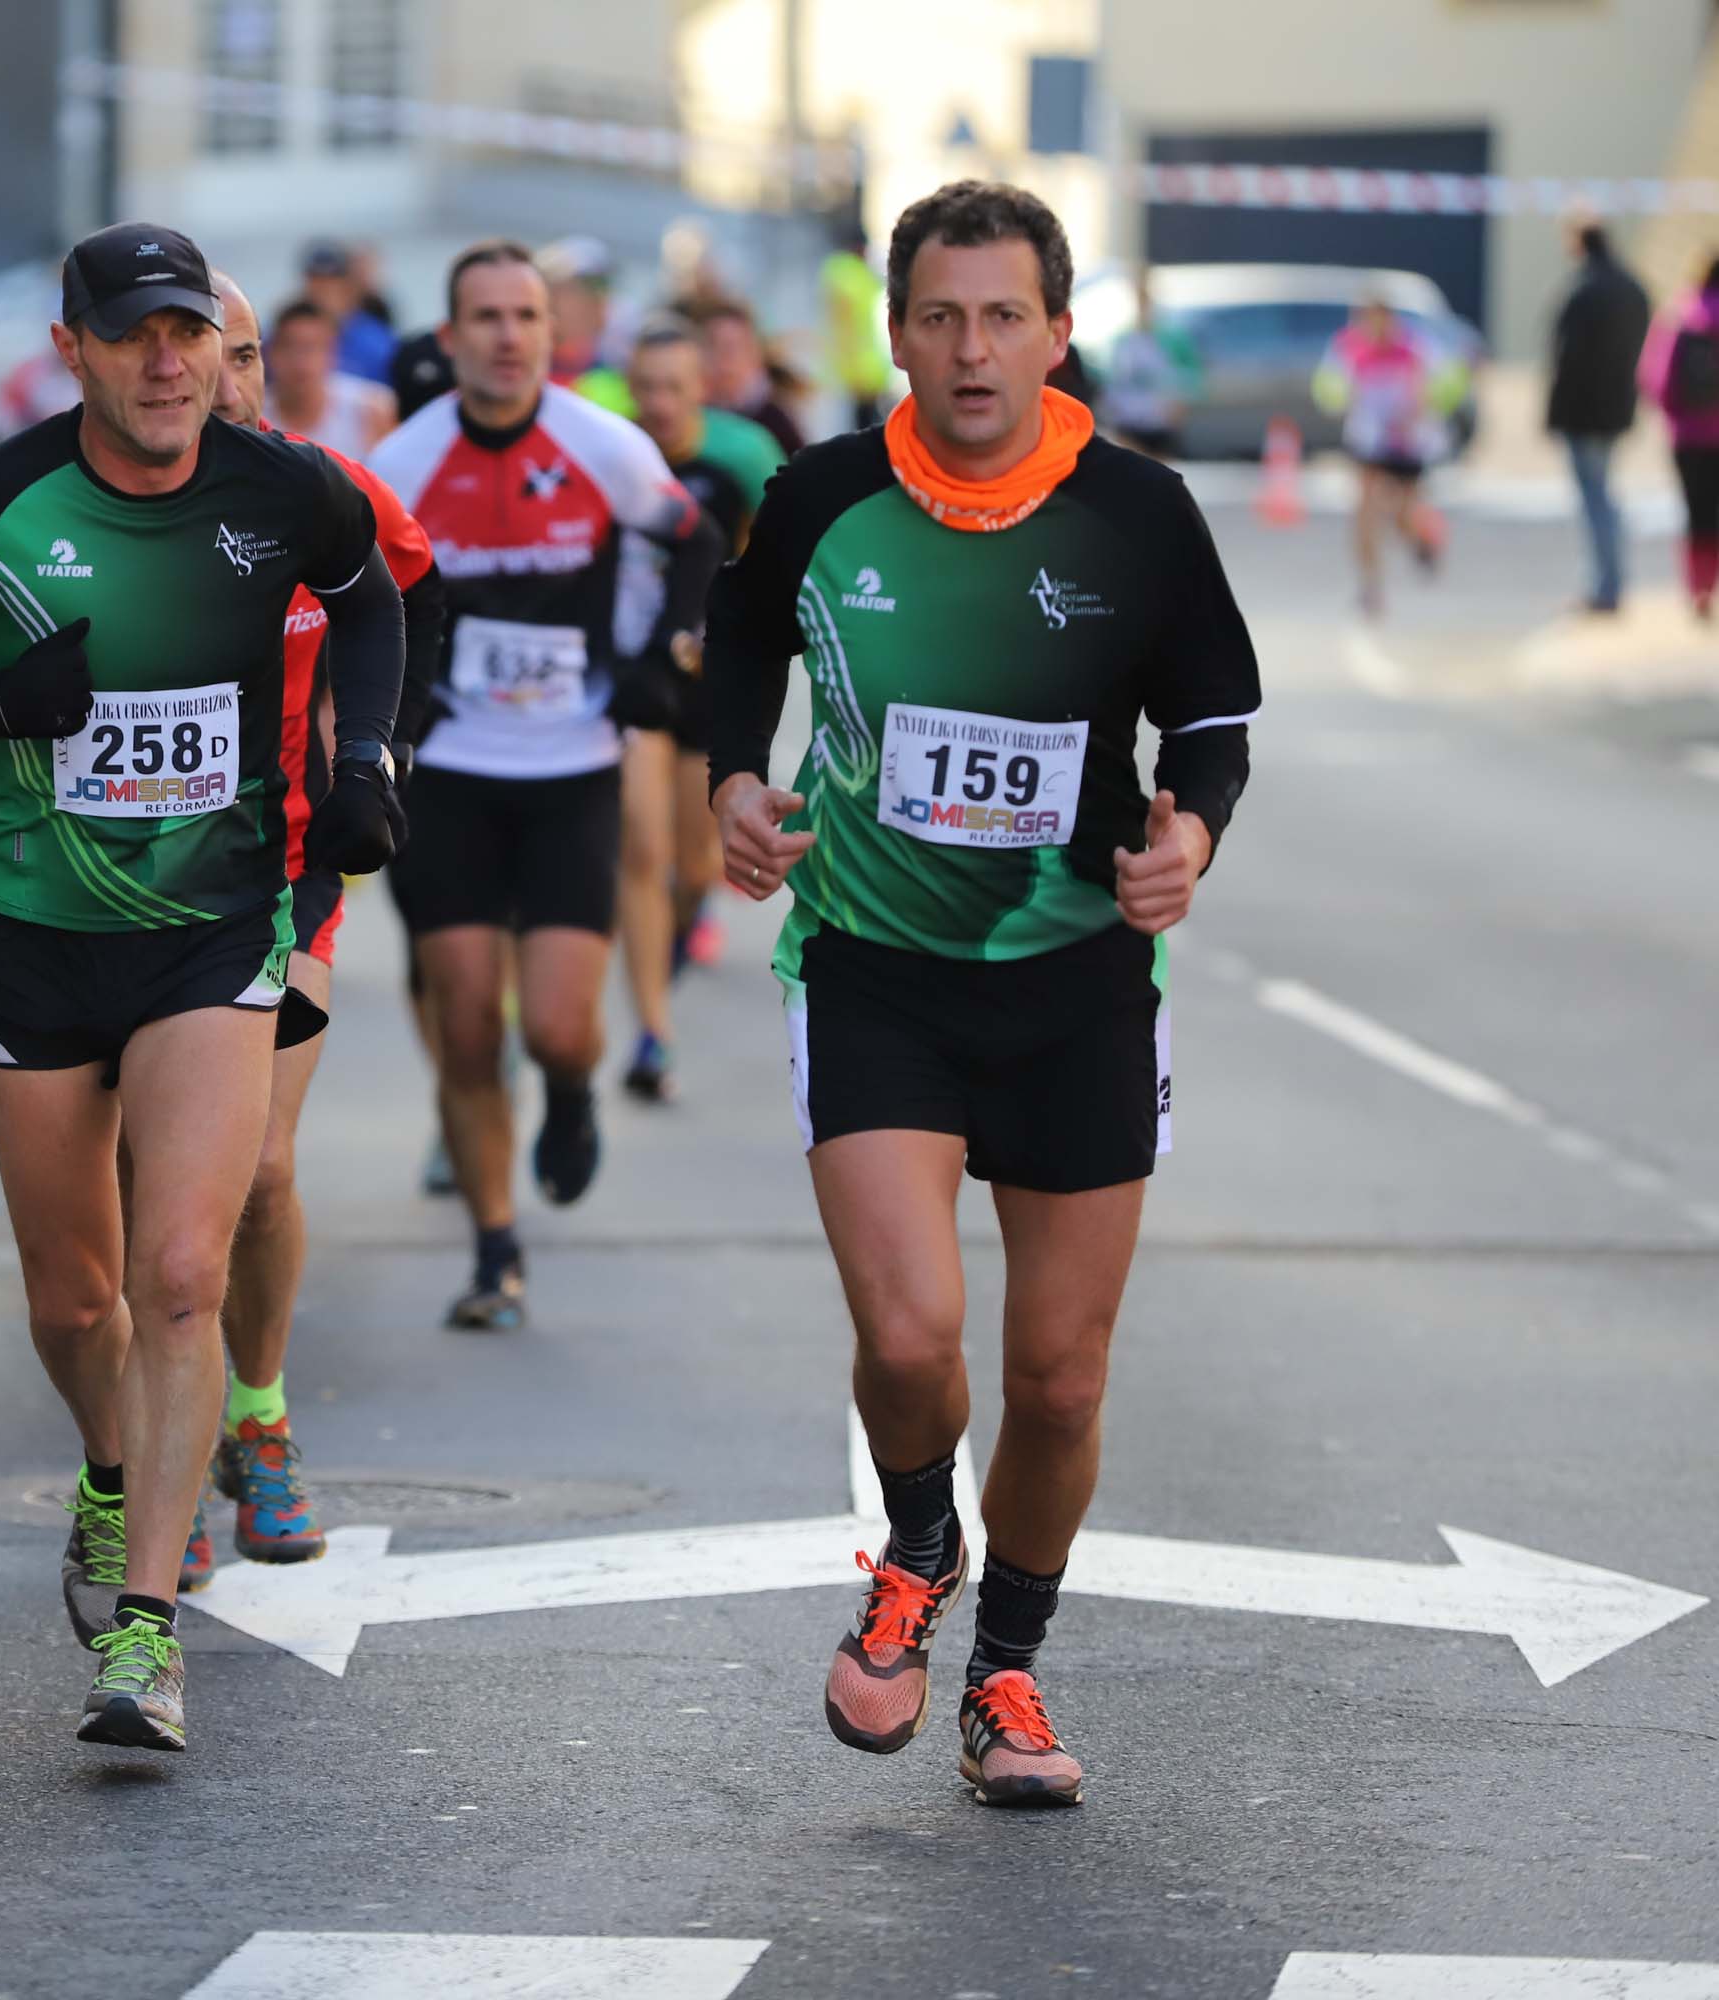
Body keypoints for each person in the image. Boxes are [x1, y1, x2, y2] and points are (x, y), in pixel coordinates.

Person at [707, 178, 1259, 1810]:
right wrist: (736, 779)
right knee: (908, 1331)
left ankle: (1004, 1671)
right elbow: (738, 639)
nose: (969, 349)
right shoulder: (820, 499)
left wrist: (1192, 839)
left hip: (1079, 979)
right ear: (894, 333)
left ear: (1058, 333)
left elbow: (1213, 719)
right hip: (874, 968)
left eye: (1002, 315)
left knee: (1064, 1378)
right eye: (939, 316)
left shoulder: (1135, 511)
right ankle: (917, 1548)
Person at [0, 223, 403, 1752]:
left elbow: (372, 601)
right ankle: (105, 1468)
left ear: (223, 351)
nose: (165, 362)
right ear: (73, 347)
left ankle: (146, 1633)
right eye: (131, 335)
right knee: (73, 1298)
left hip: (215, 930)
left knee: (178, 1279)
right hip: (32, 930)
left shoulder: (285, 490)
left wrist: (374, 761)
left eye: (187, 334)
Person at [368, 241, 721, 1331]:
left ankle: (569, 1096)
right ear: (450, 337)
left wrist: (662, 661)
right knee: (469, 1023)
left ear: (550, 334)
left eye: (525, 315)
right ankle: (495, 1247)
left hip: (572, 770)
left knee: (564, 1027)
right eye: (485, 317)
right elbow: (357, 592)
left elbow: (698, 541)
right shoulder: (407, 461)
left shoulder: (603, 446)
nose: (509, 336)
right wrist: (387, 721)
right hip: (454, 777)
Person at [177, 272, 444, 1589]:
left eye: (239, 360)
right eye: (197, 355)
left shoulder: (320, 491)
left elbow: (410, 595)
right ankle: (149, 1459)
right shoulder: (76, 502)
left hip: (284, 879)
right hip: (121, 891)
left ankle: (257, 1416)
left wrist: (379, 759)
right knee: (148, 1190)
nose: (221, 383)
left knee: (261, 1174)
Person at [612, 320, 753, 1104]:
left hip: (708, 687)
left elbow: (770, 575)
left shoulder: (732, 471)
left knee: (697, 869)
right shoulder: (616, 468)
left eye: (675, 387)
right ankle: (651, 1034)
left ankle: (664, 961)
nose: (660, 403)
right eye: (648, 387)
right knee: (641, 847)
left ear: (703, 388)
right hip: (635, 685)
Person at [1315, 297, 1466, 619]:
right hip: (1369, 443)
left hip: (1408, 445)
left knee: (1403, 515)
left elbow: (1451, 382)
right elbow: (1327, 388)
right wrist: (1342, 398)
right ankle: (1370, 586)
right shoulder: (1349, 347)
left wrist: (1426, 404)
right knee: (1365, 513)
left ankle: (1424, 543)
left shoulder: (1416, 347)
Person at [1548, 219, 1654, 617]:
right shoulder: (1631, 288)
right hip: (1616, 409)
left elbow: (1565, 358)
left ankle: (1606, 586)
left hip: (1584, 413)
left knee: (1597, 500)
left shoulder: (1584, 290)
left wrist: (1554, 414)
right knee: (1603, 496)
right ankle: (1608, 581)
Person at [1639, 252, 1719, 622]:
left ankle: (1698, 589)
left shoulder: (1682, 314)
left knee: (1695, 513)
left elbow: (1656, 376)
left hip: (1688, 435)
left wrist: (1675, 416)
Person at [263, 298, 397, 459]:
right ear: (271, 353)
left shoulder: (371, 409)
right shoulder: (253, 413)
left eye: (310, 348)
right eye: (289, 347)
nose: (299, 361)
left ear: (332, 352)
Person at [1099, 269, 1198, 459]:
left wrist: (1179, 406)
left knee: (1160, 477)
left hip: (1160, 421)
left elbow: (1191, 376)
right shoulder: (1123, 340)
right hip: (1129, 421)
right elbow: (1114, 381)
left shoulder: (1171, 338)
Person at [699, 294, 806, 458]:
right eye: (713, 345)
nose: (723, 358)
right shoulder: (695, 415)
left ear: (755, 354)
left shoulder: (776, 421)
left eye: (732, 348)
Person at [542, 236, 632, 417]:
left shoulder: (619, 380)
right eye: (580, 290)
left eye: (601, 289)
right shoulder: (522, 374)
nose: (596, 301)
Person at [822, 216, 892, 430]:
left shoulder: (838, 271)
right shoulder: (852, 274)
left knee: (862, 418)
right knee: (865, 419)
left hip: (853, 359)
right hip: (861, 361)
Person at [300, 239, 397, 385]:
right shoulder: (284, 337)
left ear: (349, 287)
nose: (322, 291)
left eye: (331, 283)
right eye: (316, 281)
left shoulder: (377, 342)